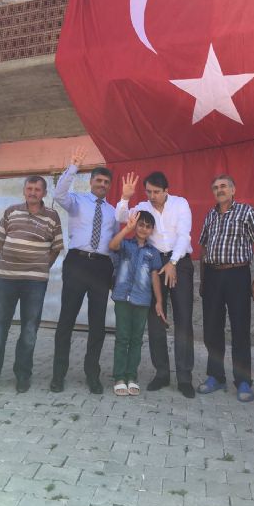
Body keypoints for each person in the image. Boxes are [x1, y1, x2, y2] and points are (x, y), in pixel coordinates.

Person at [0, 176, 63, 393]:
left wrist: (42, 265)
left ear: (44, 193)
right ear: (24, 191)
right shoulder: (11, 211)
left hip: (35, 282)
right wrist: (9, 257)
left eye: (37, 189)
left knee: (30, 329)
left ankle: (23, 374)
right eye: (29, 188)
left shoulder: (52, 216)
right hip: (7, 278)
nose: (33, 192)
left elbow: (56, 247)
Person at [116, 171, 195, 398]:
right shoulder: (142, 206)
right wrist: (125, 197)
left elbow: (184, 236)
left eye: (156, 192)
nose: (152, 196)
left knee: (183, 318)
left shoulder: (180, 204)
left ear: (166, 190)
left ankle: (184, 377)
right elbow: (121, 217)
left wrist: (173, 262)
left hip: (179, 262)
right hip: (152, 263)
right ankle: (161, 373)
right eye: (149, 191)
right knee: (155, 319)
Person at [50, 146, 118, 394]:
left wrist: (114, 271)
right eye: (98, 180)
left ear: (109, 186)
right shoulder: (76, 201)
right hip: (77, 263)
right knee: (66, 319)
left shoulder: (112, 211)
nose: (102, 185)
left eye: (106, 182)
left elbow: (115, 242)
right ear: (91, 182)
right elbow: (58, 194)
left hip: (101, 266)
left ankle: (92, 374)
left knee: (97, 324)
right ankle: (58, 375)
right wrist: (73, 167)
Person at [198, 174, 254, 402]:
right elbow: (204, 246)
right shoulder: (210, 215)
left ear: (233, 190)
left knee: (240, 328)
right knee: (212, 328)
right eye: (215, 187)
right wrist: (204, 279)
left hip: (237, 274)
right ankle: (216, 376)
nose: (219, 190)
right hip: (213, 275)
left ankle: (243, 381)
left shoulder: (247, 212)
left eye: (224, 186)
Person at [110, 210, 164, 396]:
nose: (143, 229)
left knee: (136, 339)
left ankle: (131, 376)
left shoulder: (153, 252)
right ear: (135, 226)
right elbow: (112, 245)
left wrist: (159, 301)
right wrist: (127, 228)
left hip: (142, 300)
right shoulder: (125, 244)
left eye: (148, 226)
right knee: (122, 337)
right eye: (141, 225)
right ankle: (119, 377)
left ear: (152, 230)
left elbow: (155, 277)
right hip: (122, 297)